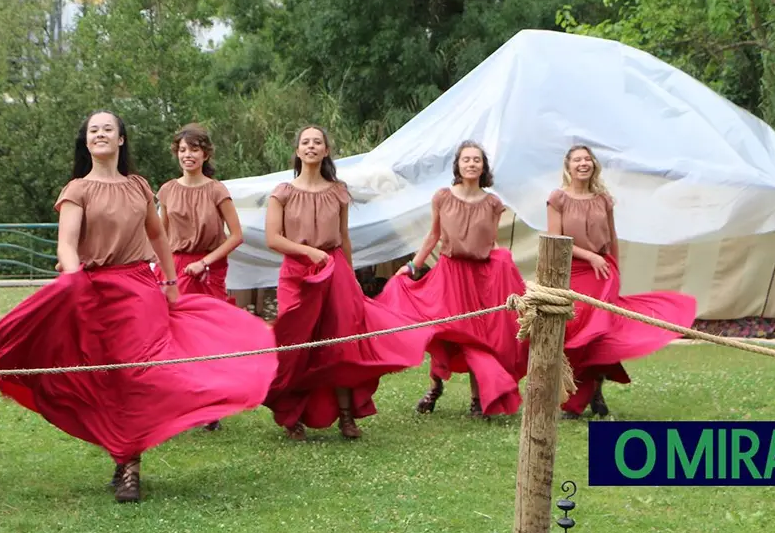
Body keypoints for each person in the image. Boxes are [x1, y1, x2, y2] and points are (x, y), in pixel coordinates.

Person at [0, 111, 278, 504]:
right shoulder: (77, 190)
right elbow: (67, 244)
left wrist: (170, 283)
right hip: (93, 291)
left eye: (108, 129)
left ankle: (131, 464)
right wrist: (71, 277)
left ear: (121, 140)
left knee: (139, 375)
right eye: (93, 130)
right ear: (86, 142)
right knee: (109, 379)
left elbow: (158, 237)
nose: (100, 134)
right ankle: (123, 458)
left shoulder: (138, 186)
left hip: (139, 289)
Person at [262, 124, 425, 441]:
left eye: (317, 142)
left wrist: (349, 278)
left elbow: (345, 238)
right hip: (297, 273)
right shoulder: (281, 192)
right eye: (305, 142)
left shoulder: (338, 191)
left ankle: (347, 416)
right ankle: (291, 416)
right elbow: (273, 239)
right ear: (297, 151)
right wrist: (308, 251)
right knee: (296, 345)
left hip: (334, 269)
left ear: (326, 151)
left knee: (341, 342)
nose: (311, 146)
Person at [375, 141, 528, 419]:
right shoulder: (442, 197)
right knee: (444, 331)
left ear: (484, 167)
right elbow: (433, 236)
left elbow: (491, 243)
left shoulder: (494, 203)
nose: (471, 164)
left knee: (477, 338)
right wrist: (412, 266)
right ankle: (435, 387)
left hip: (480, 277)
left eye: (477, 160)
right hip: (449, 274)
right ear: (457, 165)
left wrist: (503, 268)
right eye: (466, 159)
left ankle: (476, 399)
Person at [546, 144, 697, 419]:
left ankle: (595, 392)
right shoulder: (558, 198)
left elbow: (612, 236)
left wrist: (615, 270)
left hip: (604, 274)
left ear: (594, 164)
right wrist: (590, 257)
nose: (583, 163)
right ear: (568, 166)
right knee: (577, 337)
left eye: (587, 159)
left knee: (602, 335)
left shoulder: (603, 198)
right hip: (574, 273)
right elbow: (555, 239)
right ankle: (575, 398)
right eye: (577, 160)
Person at [156, 123, 245, 432]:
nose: (187, 155)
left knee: (207, 338)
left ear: (205, 153)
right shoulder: (167, 190)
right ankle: (176, 402)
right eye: (182, 150)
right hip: (175, 267)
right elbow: (161, 235)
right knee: (173, 335)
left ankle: (210, 407)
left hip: (209, 268)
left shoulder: (217, 189)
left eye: (193, 149)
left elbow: (236, 236)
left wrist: (206, 262)